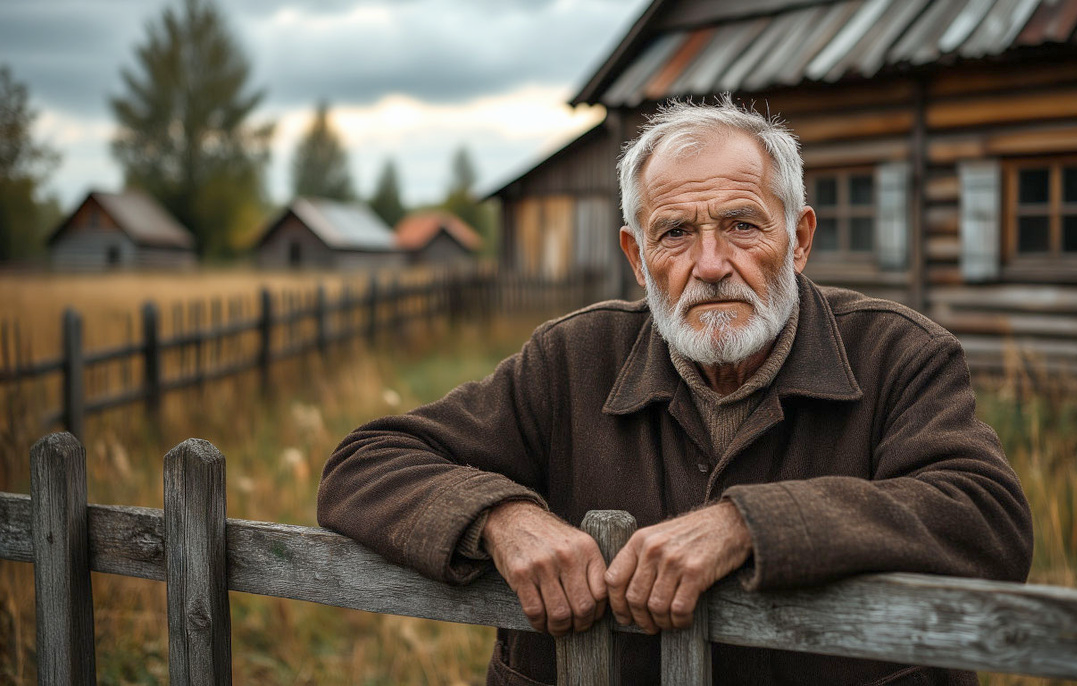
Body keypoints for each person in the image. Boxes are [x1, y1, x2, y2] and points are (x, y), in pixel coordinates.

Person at [317, 96, 1033, 685]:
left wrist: (747, 525)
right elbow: (365, 463)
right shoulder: (572, 359)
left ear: (800, 238)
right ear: (636, 256)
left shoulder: (897, 353)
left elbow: (986, 517)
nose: (711, 264)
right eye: (675, 234)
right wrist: (501, 518)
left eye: (743, 225)